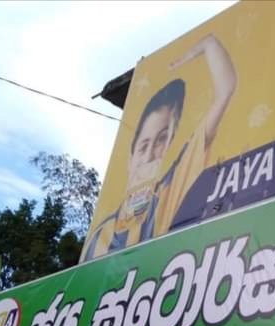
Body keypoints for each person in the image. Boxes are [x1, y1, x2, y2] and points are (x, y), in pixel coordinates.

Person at [81, 34, 237, 262]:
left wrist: (207, 44)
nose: (150, 155)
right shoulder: (99, 238)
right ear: (130, 156)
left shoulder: (166, 194)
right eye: (144, 145)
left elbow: (225, 90)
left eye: (161, 141)